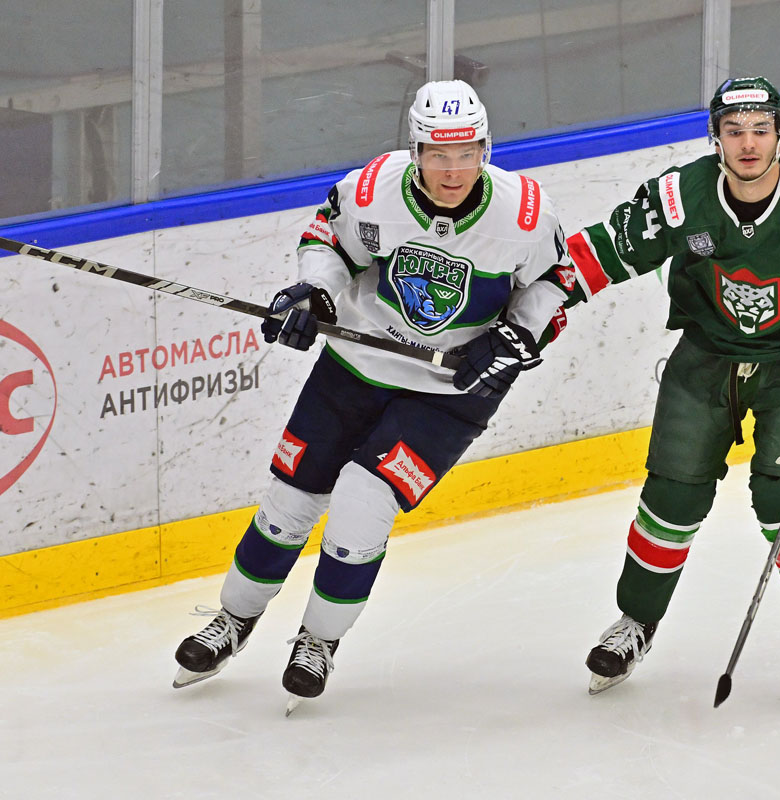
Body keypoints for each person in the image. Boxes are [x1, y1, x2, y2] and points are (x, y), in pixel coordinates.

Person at [172, 79, 573, 710]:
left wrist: (513, 337)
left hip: (451, 389)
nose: (453, 171)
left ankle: (318, 640)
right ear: (415, 151)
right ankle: (234, 619)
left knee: (364, 500)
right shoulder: (372, 190)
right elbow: (328, 243)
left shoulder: (524, 213)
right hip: (354, 366)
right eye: (438, 155)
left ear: (486, 149)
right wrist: (314, 295)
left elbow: (556, 281)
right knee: (290, 498)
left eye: (466, 153)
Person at [565, 76, 780, 707]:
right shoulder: (680, 198)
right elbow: (603, 251)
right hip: (707, 358)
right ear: (715, 138)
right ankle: (636, 622)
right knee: (671, 497)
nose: (748, 144)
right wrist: (543, 295)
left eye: (760, 130)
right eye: (733, 131)